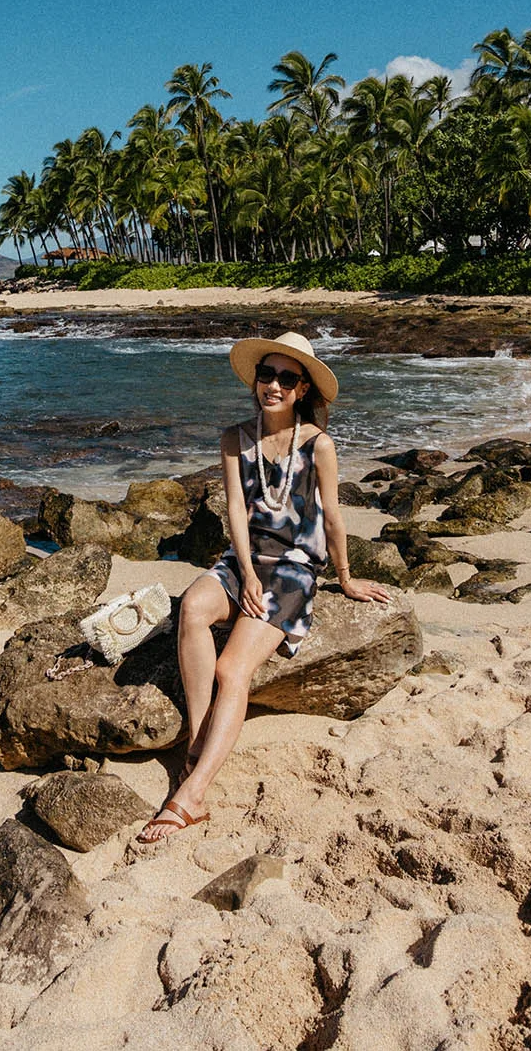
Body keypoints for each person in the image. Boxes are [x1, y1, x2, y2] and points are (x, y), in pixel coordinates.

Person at [138, 330, 392, 844]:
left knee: (232, 669)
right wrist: (247, 574)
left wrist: (345, 578)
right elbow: (235, 509)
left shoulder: (319, 445)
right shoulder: (236, 438)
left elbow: (333, 517)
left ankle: (192, 795)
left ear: (303, 389)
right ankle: (198, 740)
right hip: (244, 560)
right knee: (193, 607)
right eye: (266, 374)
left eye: (286, 379)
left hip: (294, 568)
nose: (273, 385)